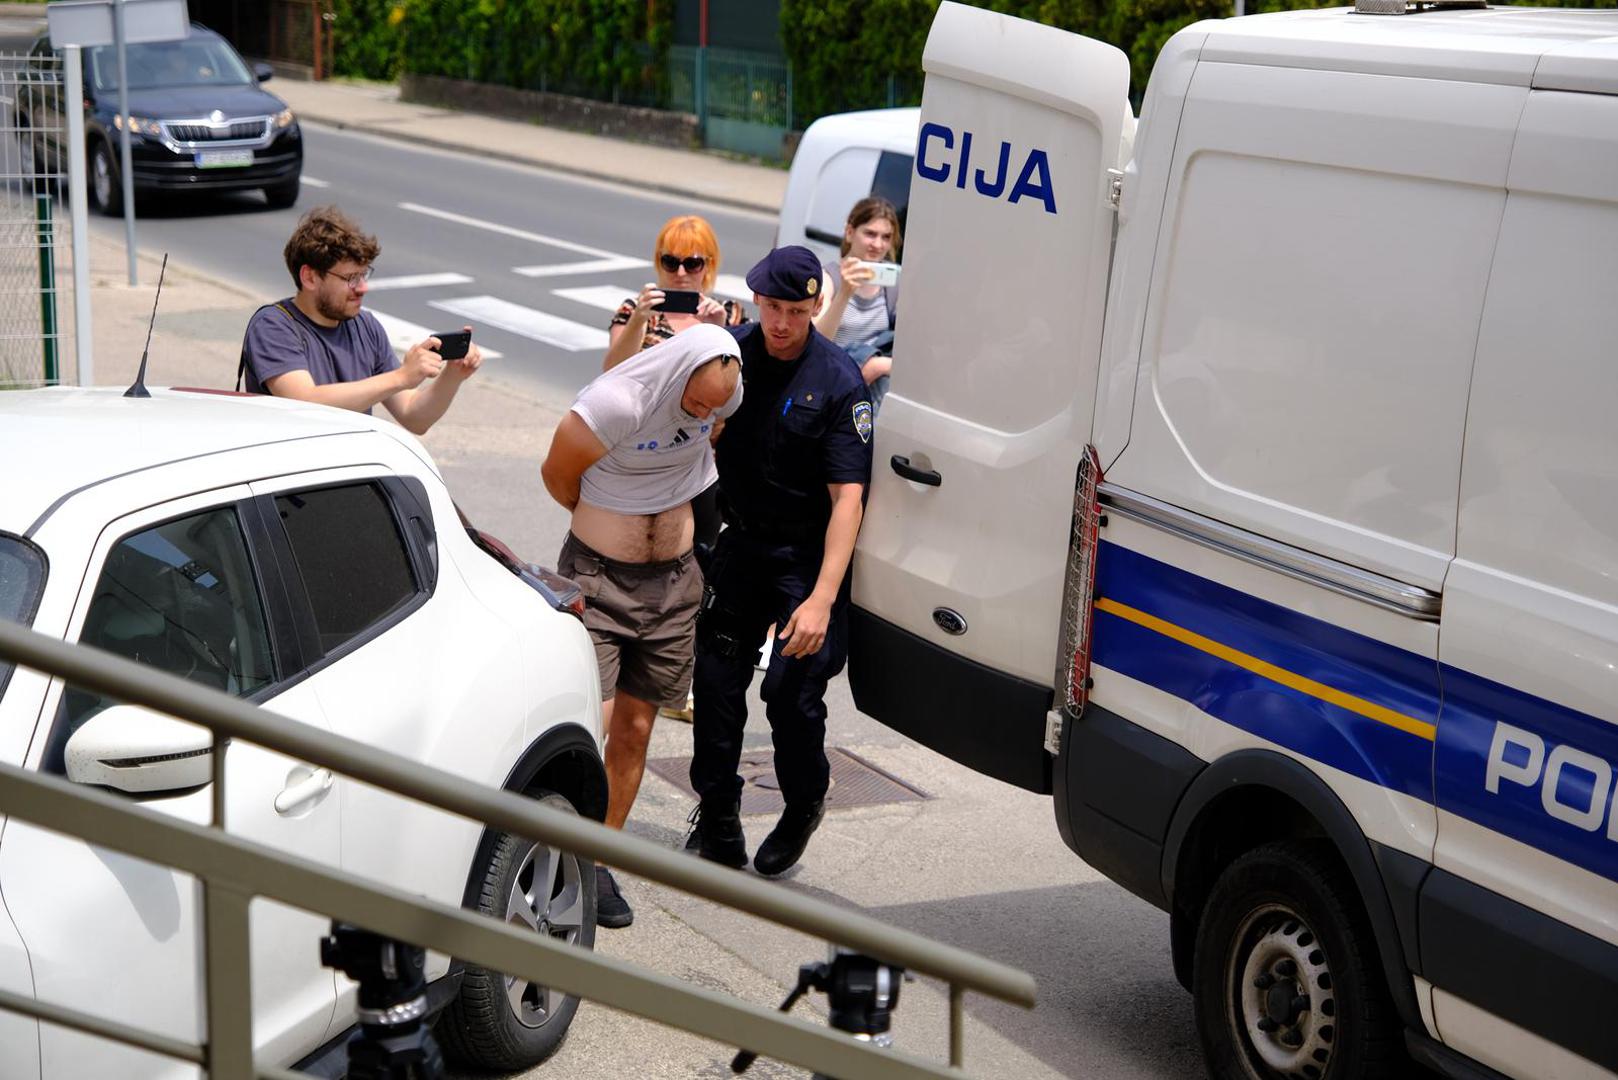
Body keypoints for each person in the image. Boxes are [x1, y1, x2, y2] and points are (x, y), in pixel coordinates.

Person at [540, 324, 744, 927]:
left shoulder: (724, 395)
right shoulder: (617, 401)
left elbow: (714, 439)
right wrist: (608, 520)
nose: (705, 412)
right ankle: (545, 854)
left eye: (714, 405)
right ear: (675, 370)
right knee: (587, 726)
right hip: (600, 581)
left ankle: (597, 861)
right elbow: (556, 475)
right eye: (697, 401)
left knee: (634, 730)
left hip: (673, 586)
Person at [685, 246, 875, 877]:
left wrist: (822, 598)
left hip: (804, 557)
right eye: (772, 308)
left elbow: (849, 497)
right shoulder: (730, 356)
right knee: (715, 681)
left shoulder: (838, 379)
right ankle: (716, 812)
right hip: (741, 544)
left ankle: (803, 803)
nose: (782, 323)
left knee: (789, 694)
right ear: (759, 301)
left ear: (816, 306)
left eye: (796, 310)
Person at [605, 214, 748, 719]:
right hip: (642, 462)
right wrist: (640, 322)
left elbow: (737, 385)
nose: (683, 273)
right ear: (658, 263)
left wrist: (719, 334)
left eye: (695, 262)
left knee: (697, 568)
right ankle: (624, 663)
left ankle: (676, 678)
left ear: (711, 266)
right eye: (672, 261)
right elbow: (611, 373)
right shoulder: (636, 310)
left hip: (703, 465)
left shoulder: (729, 313)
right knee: (637, 563)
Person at [239, 206, 482, 435]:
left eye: (364, 275)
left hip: (350, 469)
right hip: (294, 474)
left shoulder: (365, 326)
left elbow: (414, 417)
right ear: (310, 277)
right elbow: (304, 402)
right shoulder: (274, 325)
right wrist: (400, 377)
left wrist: (453, 375)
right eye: (351, 278)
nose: (363, 287)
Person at [812, 196, 902, 411]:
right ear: (850, 232)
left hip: (870, 388)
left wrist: (881, 365)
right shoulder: (829, 278)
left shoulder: (892, 284)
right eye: (870, 234)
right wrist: (845, 293)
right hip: (830, 383)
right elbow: (816, 341)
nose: (878, 244)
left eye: (886, 237)